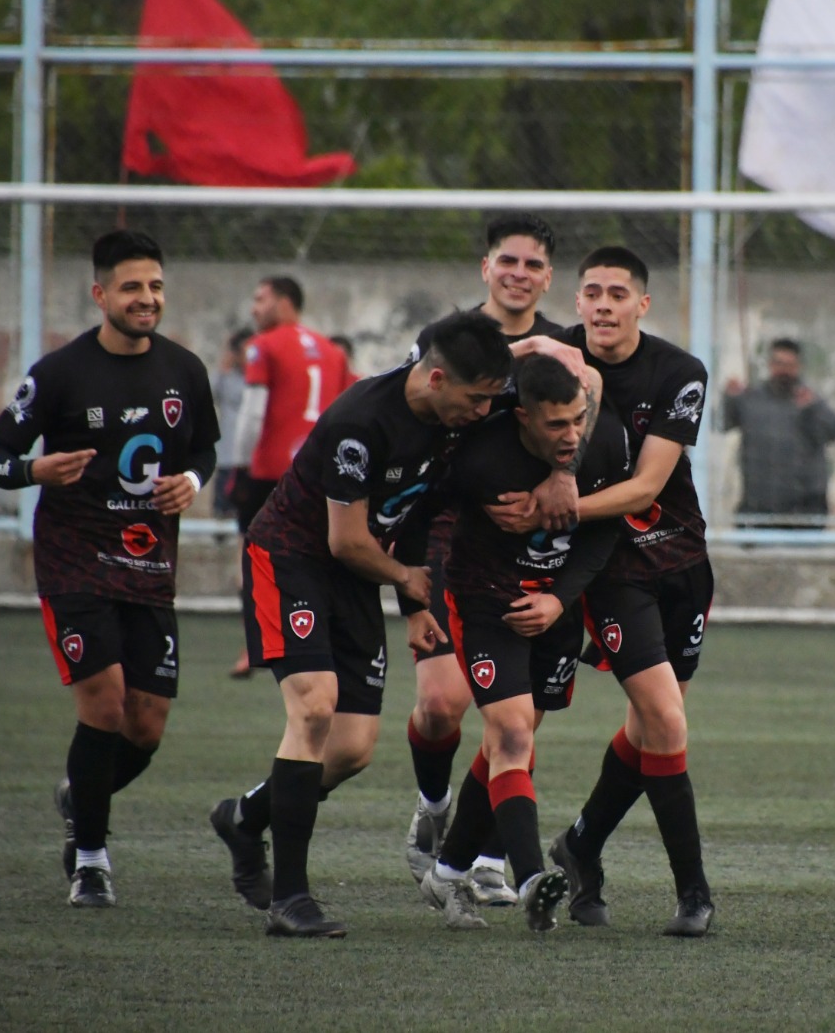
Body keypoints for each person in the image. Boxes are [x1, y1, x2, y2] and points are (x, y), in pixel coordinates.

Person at [208, 312, 513, 939]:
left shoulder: (451, 422)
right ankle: (290, 900)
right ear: (435, 379)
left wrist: (417, 604)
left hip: (358, 575)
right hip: (293, 558)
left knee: (349, 750)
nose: (485, 412)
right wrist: (406, 581)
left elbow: (417, 516)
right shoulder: (360, 424)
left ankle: (244, 818)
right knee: (314, 709)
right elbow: (346, 540)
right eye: (476, 398)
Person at [0, 230, 220, 908]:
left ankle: (79, 796)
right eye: (131, 288)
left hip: (150, 564)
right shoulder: (58, 374)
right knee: (106, 704)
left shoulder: (185, 370)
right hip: (74, 559)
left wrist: (192, 484)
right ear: (100, 294)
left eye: (155, 287)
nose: (147, 299)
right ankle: (90, 860)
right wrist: (35, 469)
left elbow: (202, 450)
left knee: (146, 726)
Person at [492, 245, 715, 937]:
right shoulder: (550, 358)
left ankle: (582, 845)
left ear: (641, 306)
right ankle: (694, 895)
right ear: (577, 301)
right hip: (610, 569)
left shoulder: (679, 372)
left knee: (650, 725)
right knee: (668, 721)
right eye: (591, 293)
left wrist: (557, 503)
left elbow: (648, 487)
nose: (603, 306)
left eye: (618, 294)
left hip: (681, 561)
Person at [402, 353, 629, 931]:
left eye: (579, 419)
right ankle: (529, 878)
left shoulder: (601, 443)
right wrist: (412, 604)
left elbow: (603, 536)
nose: (572, 434)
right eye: (557, 425)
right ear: (523, 416)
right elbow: (416, 516)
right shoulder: (478, 455)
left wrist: (559, 600)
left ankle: (449, 872)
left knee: (514, 741)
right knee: (511, 733)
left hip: (555, 610)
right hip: (485, 605)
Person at [399, 213, 569, 907]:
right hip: (443, 536)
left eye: (532, 264)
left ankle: (493, 855)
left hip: (522, 547)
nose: (519, 273)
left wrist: (563, 477)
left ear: (548, 277)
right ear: (485, 267)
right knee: (441, 704)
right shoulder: (448, 340)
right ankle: (434, 810)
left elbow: (582, 425)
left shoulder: (562, 350)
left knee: (518, 718)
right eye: (508, 260)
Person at [228, 277, 351, 677]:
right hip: (319, 472)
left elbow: (251, 412)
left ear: (283, 303)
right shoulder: (333, 351)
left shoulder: (262, 347)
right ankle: (324, 640)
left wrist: (239, 466)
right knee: (321, 557)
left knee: (257, 558)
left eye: (259, 299)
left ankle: (256, 648)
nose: (254, 309)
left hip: (269, 473)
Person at [720, 338, 835, 528]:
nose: (784, 370)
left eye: (790, 365)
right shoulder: (751, 399)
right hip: (757, 508)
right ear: (770, 365)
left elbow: (834, 432)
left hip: (805, 510)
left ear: (799, 367)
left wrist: (813, 408)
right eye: (779, 364)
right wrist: (729, 398)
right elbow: (720, 424)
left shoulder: (810, 400)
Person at [209, 327, 252, 519]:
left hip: (252, 458)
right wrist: (222, 369)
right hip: (228, 456)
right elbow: (207, 395)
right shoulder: (226, 377)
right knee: (222, 511)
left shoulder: (260, 377)